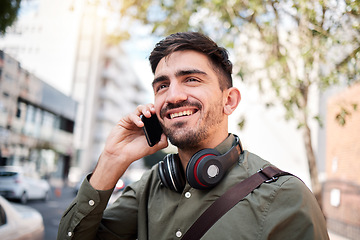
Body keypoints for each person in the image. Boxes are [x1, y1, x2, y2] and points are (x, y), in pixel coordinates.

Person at [57, 32, 329, 240]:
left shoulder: (286, 196)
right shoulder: (149, 187)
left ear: (230, 101)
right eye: (162, 85)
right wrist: (111, 159)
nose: (173, 96)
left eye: (191, 79)